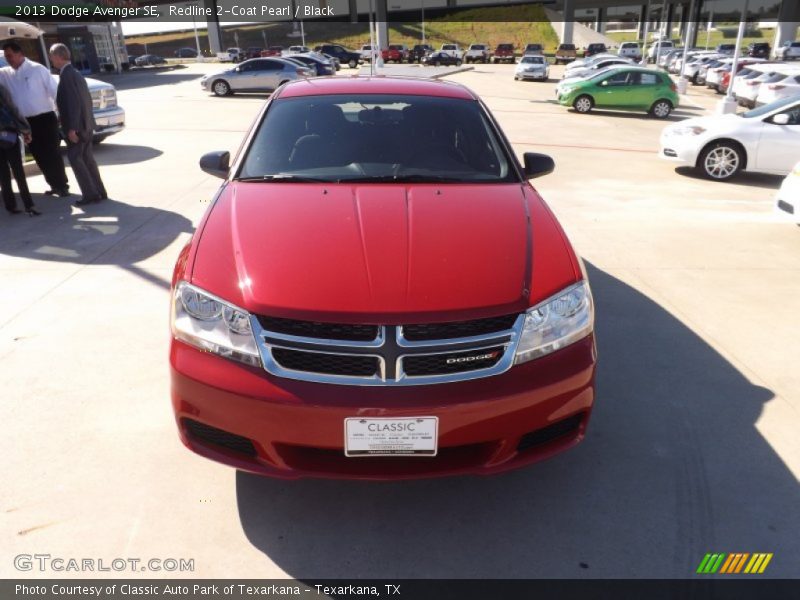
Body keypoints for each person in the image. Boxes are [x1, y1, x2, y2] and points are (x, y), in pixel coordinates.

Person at [1, 42, 70, 197]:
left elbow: (55, 92)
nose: (8, 59)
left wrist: (62, 115)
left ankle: (62, 185)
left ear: (20, 54)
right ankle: (53, 184)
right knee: (38, 154)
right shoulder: (5, 73)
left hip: (45, 118)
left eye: (10, 56)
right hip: (26, 123)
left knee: (52, 152)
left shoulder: (38, 69)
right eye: (6, 57)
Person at [48, 43, 107, 206]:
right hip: (86, 124)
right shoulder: (75, 73)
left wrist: (72, 128)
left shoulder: (67, 75)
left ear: (59, 57)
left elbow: (75, 104)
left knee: (76, 158)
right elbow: (85, 101)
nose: (51, 59)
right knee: (87, 159)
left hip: (78, 127)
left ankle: (91, 194)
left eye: (52, 56)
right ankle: (99, 191)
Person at [0, 81, 40, 216]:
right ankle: (29, 205)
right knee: (18, 172)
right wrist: (25, 129)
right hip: (9, 135)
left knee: (3, 174)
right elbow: (12, 108)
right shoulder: (1, 88)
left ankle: (10, 206)